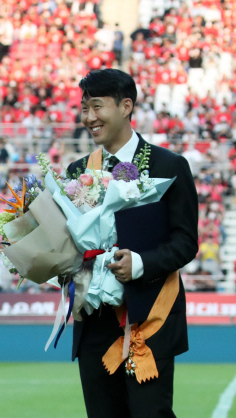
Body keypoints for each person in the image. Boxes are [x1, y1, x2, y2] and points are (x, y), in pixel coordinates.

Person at [69, 69, 198, 418]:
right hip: (95, 323)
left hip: (150, 319)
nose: (89, 118)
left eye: (97, 106)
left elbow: (186, 241)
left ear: (126, 106)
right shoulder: (76, 172)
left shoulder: (169, 165)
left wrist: (139, 264)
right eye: (84, 108)